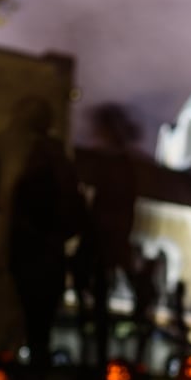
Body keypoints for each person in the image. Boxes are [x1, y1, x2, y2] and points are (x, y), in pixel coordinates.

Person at [7, 99, 85, 374]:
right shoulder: (49, 158)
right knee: (35, 317)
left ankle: (35, 373)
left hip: (41, 250)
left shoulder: (47, 160)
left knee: (38, 316)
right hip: (39, 250)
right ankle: (32, 370)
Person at [74, 103, 142, 366]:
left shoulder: (116, 167)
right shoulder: (116, 165)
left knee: (99, 306)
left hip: (104, 244)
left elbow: (113, 210)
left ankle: (99, 363)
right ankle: (96, 361)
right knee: (96, 304)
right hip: (105, 244)